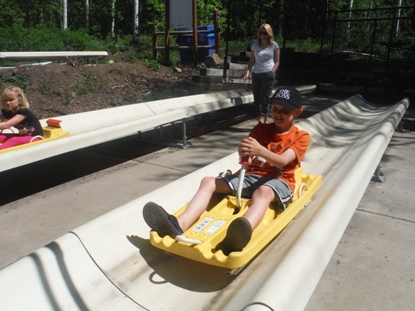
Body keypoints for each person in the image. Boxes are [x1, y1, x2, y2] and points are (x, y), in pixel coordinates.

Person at [143, 86, 309, 255]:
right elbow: (249, 158)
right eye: (274, 109)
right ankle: (178, 224)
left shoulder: (301, 137)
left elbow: (282, 162)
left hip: (279, 181)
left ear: (297, 112)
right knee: (208, 181)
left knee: (263, 192)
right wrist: (245, 154)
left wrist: (259, 150)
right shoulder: (261, 130)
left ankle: (240, 233)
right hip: (252, 177)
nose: (278, 114)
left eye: (284, 111)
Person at [243, 23, 280, 124]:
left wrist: (272, 72)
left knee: (264, 96)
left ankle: (266, 118)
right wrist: (247, 72)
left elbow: (277, 61)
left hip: (268, 73)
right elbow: (251, 61)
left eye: (265, 33)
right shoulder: (255, 46)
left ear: (269, 34)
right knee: (257, 97)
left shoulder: (274, 45)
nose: (263, 35)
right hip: (256, 74)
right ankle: (259, 117)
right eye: (261, 33)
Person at [0, 86, 43, 150]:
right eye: (5, 100)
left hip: (35, 138)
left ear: (20, 100)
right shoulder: (7, 112)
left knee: (14, 140)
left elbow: (7, 125)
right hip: (22, 136)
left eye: (11, 100)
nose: (7, 102)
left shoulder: (23, 112)